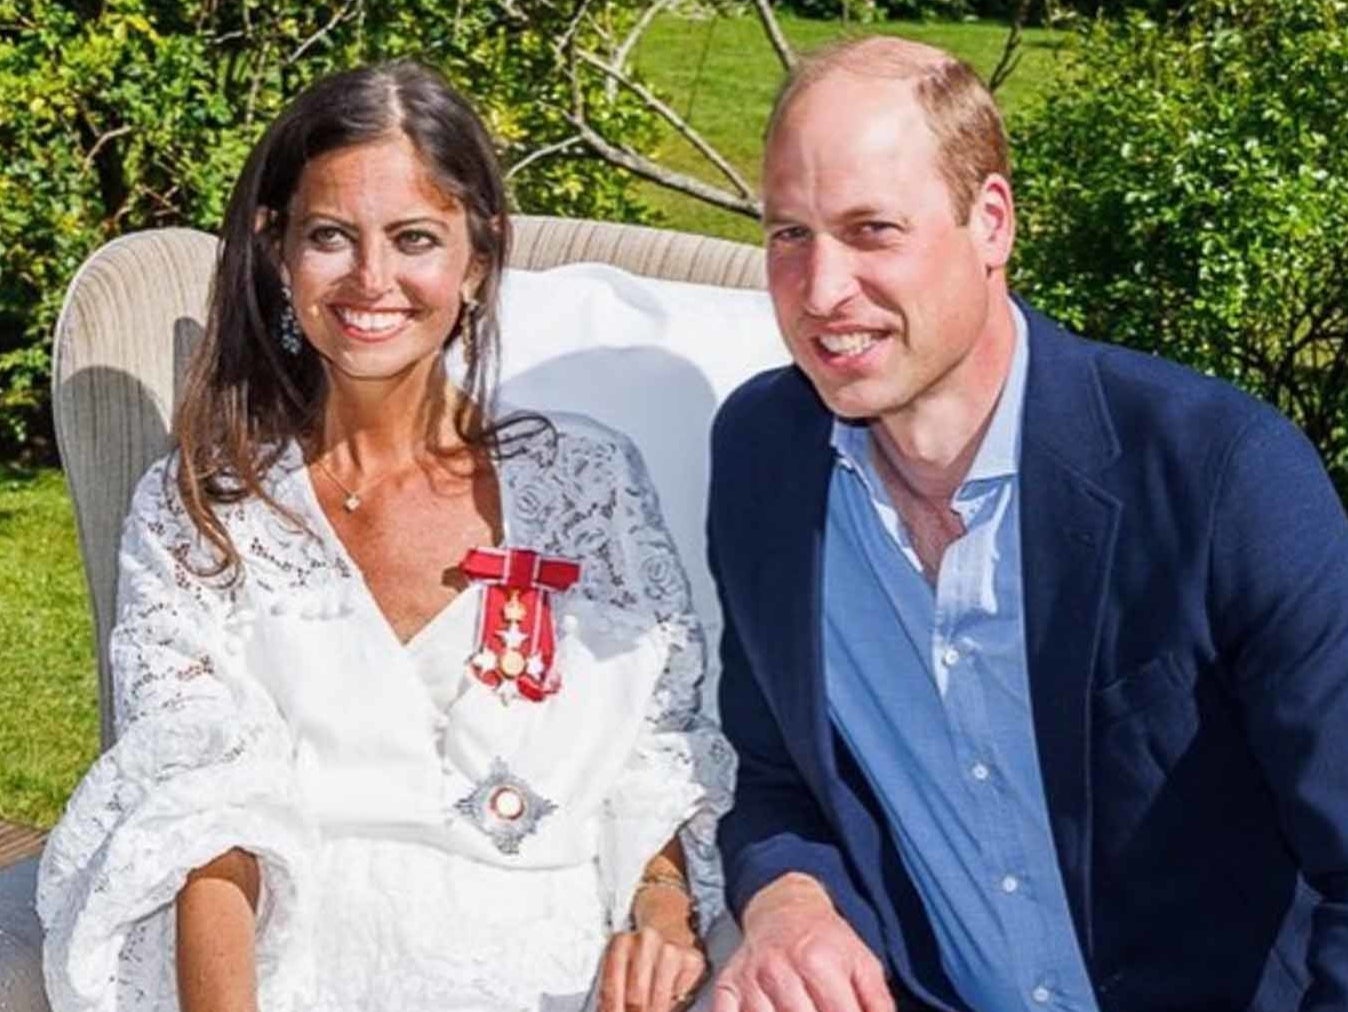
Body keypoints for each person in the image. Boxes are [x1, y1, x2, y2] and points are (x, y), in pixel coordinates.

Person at [37, 61, 733, 1012]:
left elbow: (653, 747)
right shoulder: (201, 511)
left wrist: (661, 904)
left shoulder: (590, 482)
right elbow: (201, 820)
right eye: (330, 236)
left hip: (558, 974)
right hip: (302, 972)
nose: (372, 281)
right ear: (276, 251)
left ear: (478, 259)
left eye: (414, 239)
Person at [707, 35, 1348, 1012]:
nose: (822, 289)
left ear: (991, 221)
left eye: (872, 229)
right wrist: (791, 901)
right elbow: (778, 775)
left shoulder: (1220, 477)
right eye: (789, 233)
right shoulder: (765, 458)